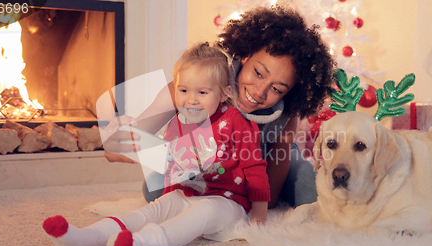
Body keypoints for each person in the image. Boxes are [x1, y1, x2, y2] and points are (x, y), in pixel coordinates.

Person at [43, 42, 270, 246]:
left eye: (202, 92)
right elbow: (172, 166)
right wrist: (167, 196)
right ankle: (85, 238)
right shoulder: (177, 123)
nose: (191, 99)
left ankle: (142, 245)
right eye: (183, 90)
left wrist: (259, 215)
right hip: (188, 194)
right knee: (154, 210)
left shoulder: (236, 121)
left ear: (224, 94)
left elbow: (255, 169)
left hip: (227, 203)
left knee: (205, 211)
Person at [104, 5, 335, 208]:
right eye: (258, 73)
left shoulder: (284, 115)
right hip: (202, 157)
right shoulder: (196, 84)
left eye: (277, 89)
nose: (259, 92)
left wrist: (237, 187)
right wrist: (136, 145)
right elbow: (116, 146)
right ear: (245, 56)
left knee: (311, 189)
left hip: (261, 161)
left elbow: (270, 198)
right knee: (154, 190)